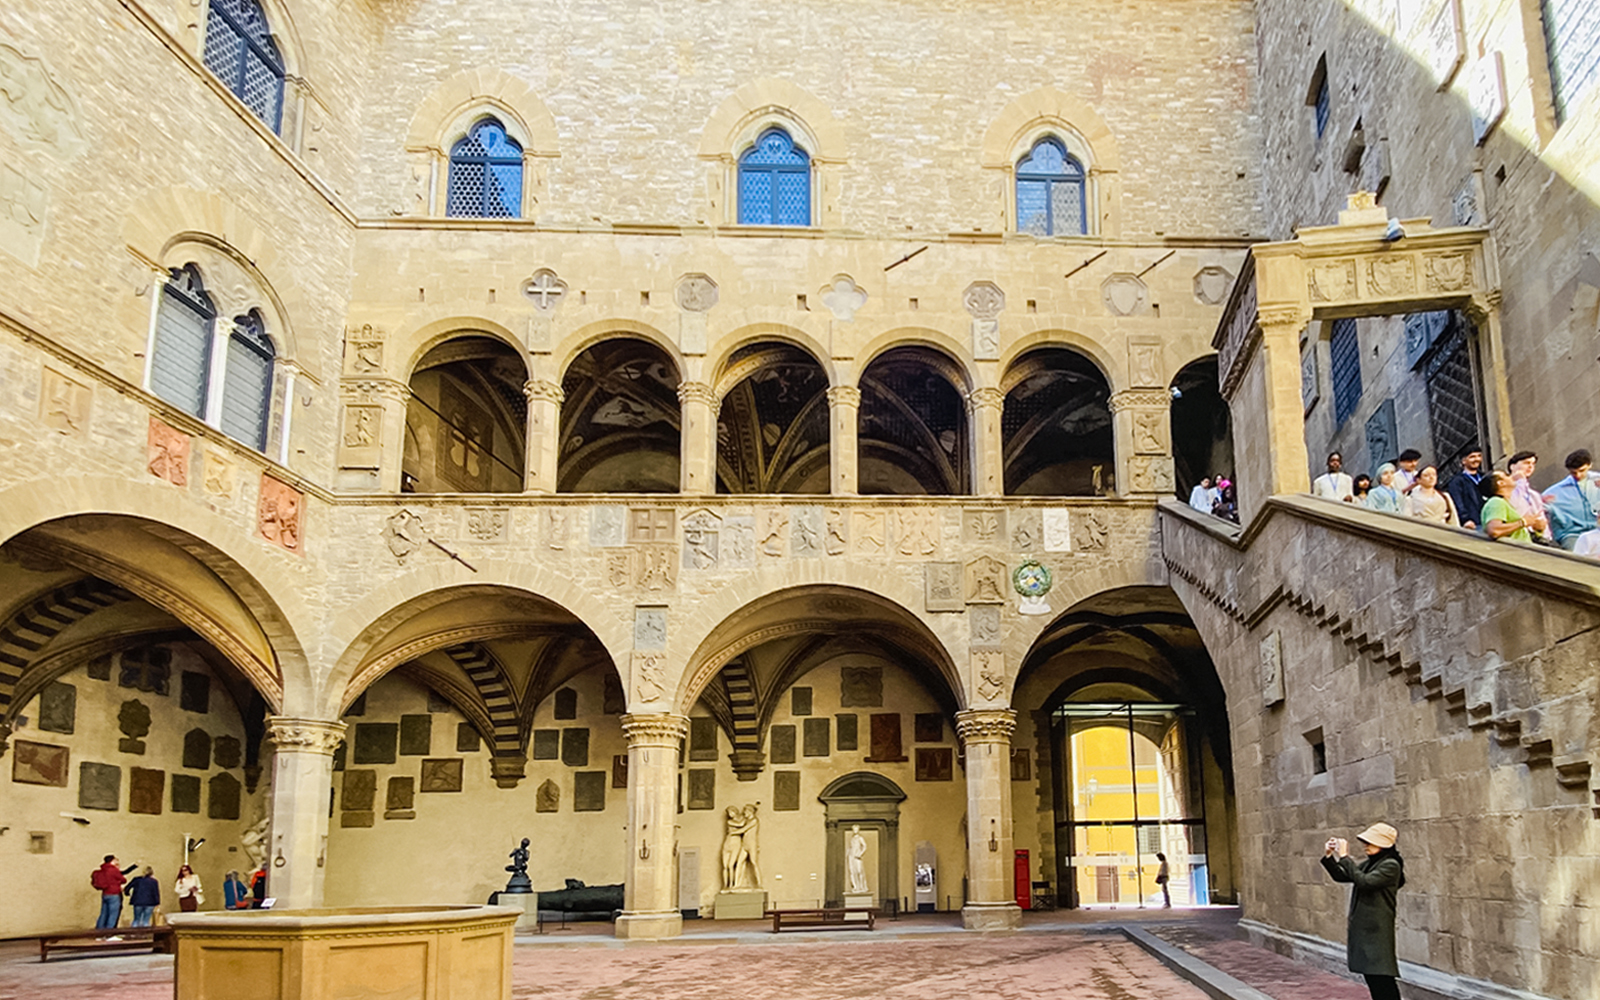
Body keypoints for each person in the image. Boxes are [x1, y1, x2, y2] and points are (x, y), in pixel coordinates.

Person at [1320, 822, 1406, 1000]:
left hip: (1377, 932)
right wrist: (1330, 857)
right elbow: (1343, 876)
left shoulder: (1390, 866)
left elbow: (1365, 882)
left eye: (1371, 842)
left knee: (1382, 980)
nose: (1366, 845)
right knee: (1375, 980)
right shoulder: (1371, 864)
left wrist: (1345, 857)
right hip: (1367, 932)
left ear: (1384, 845)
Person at [1540, 449, 1599, 551]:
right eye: (1573, 473)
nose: (1578, 476)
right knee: (1575, 559)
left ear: (1590, 465)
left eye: (1581, 471)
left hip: (1597, 530)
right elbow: (1538, 507)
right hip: (1572, 534)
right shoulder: (1556, 491)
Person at [1506, 451, 1550, 541]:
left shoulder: (1534, 495)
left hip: (1536, 537)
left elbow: (1541, 517)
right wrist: (1520, 480)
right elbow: (1514, 505)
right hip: (1516, 536)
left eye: (1533, 464)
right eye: (1526, 463)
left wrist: (1542, 529)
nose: (1530, 466)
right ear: (1512, 466)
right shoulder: (1505, 490)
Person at [1481, 472, 1534, 544]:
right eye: (1506, 475)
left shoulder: (1503, 503)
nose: (1511, 476)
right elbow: (1494, 530)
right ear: (1501, 483)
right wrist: (1523, 522)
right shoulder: (1496, 502)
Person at [90, 854, 138, 929]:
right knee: (113, 915)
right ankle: (109, 933)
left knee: (103, 914)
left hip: (105, 894)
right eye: (115, 860)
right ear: (112, 861)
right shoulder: (113, 870)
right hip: (114, 894)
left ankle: (99, 932)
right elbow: (123, 880)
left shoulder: (103, 869)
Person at [1444, 448, 1487, 528]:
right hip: (1472, 523)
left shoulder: (1485, 477)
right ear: (1464, 461)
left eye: (1479, 456)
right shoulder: (1457, 481)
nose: (1476, 459)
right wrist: (1465, 519)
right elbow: (1457, 502)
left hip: (1487, 520)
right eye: (1472, 457)